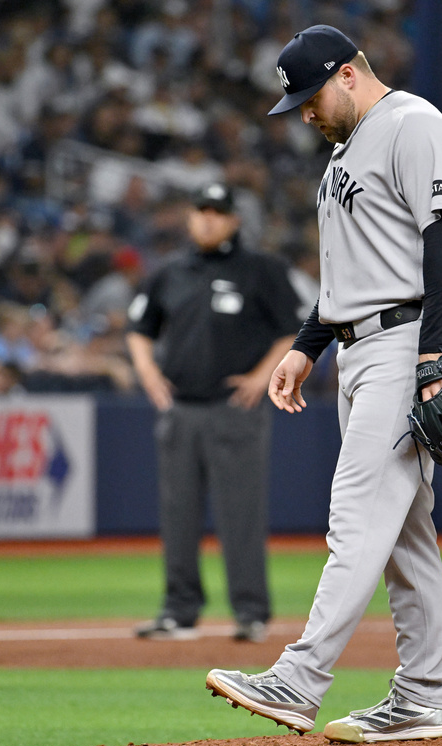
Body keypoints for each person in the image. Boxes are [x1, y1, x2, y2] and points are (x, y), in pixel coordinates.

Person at [205, 24, 442, 743]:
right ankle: (423, 696)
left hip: (409, 340)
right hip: (361, 347)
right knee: (402, 535)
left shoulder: (415, 125)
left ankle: (300, 678)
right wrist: (307, 346)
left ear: (350, 74)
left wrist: (433, 357)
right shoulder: (341, 153)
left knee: (357, 516)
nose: (305, 112)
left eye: (311, 95)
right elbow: (347, 274)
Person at [126, 182, 300, 642]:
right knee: (177, 513)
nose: (207, 219)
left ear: (234, 220)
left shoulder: (261, 269)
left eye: (217, 211)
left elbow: (291, 330)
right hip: (180, 408)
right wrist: (148, 373)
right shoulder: (170, 272)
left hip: (233, 409)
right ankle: (178, 611)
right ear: (189, 218)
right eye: (201, 210)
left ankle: (251, 613)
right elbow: (139, 329)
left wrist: (263, 376)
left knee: (240, 513)